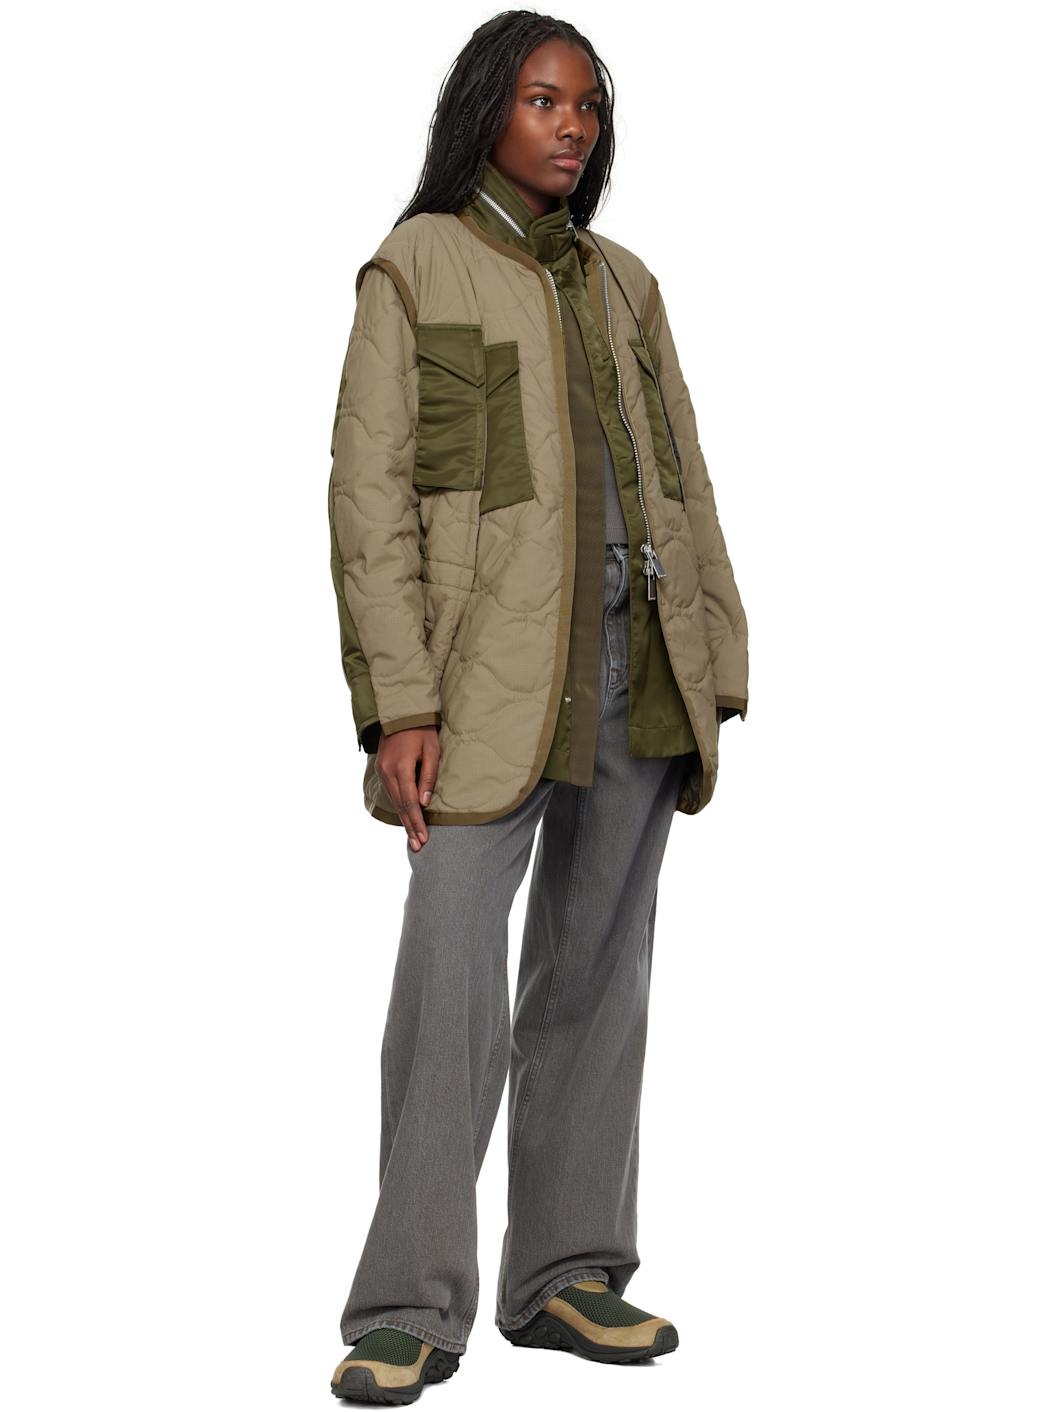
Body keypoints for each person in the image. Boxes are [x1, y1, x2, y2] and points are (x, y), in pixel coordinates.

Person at [325, 10, 749, 1402]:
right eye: (543, 102)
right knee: (448, 983)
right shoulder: (416, 266)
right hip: (482, 685)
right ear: (484, 114)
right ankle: (409, 1302)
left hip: (639, 668)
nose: (572, 127)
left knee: (597, 977)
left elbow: (683, 477)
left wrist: (718, 657)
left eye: (588, 107)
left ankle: (566, 1272)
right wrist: (398, 704)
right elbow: (369, 504)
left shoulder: (627, 284)